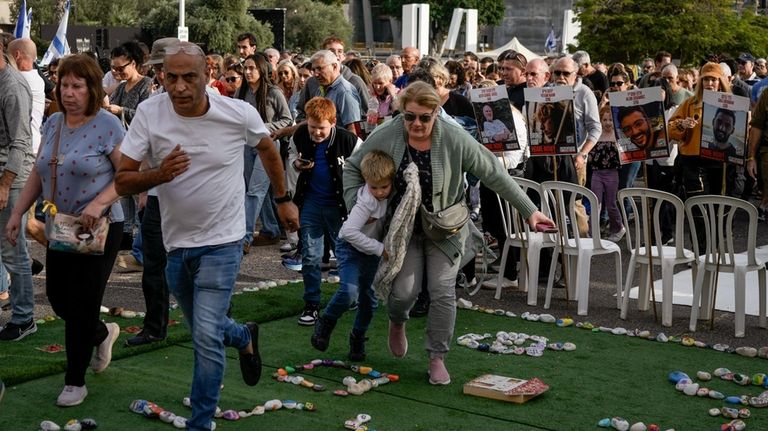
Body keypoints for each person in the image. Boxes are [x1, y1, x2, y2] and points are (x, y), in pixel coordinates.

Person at [114, 41, 299, 431]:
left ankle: (201, 422)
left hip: (225, 240)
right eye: (171, 77)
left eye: (189, 77)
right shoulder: (150, 113)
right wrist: (158, 176)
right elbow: (123, 179)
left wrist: (282, 200)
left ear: (208, 77)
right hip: (176, 244)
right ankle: (244, 336)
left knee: (204, 335)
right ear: (161, 76)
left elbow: (268, 148)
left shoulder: (237, 113)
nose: (179, 87)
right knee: (208, 327)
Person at [343, 82, 553, 385]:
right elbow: (352, 167)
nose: (416, 124)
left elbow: (492, 172)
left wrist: (529, 210)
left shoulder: (454, 137)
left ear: (436, 113)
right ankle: (396, 321)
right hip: (403, 229)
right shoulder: (388, 133)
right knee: (403, 293)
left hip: (446, 227)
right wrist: (361, 208)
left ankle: (437, 357)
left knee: (442, 292)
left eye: (424, 118)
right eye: (409, 116)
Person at [5, 54, 124, 405]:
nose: (69, 92)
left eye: (77, 85)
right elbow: (41, 173)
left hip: (100, 227)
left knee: (84, 301)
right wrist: (18, 212)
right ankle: (101, 334)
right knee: (59, 298)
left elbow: (128, 175)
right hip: (62, 226)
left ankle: (75, 380)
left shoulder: (108, 125)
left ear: (92, 88)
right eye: (64, 85)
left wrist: (99, 202)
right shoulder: (54, 122)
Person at [311, 149, 393, 361]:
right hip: (351, 248)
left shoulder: (391, 194)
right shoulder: (366, 201)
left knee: (369, 298)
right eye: (374, 187)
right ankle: (326, 322)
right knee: (349, 291)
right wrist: (378, 248)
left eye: (384, 186)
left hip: (371, 252)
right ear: (366, 182)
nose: (380, 192)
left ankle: (358, 336)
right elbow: (348, 232)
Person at [291, 97, 360, 326]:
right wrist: (296, 164)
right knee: (310, 256)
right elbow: (291, 155)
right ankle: (311, 304)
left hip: (340, 206)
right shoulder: (300, 135)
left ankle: (349, 296)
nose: (316, 133)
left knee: (344, 255)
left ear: (333, 122)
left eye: (321, 128)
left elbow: (366, 166)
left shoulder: (349, 140)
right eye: (312, 127)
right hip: (310, 202)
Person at [668, 62, 733, 249]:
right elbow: (671, 129)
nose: (710, 83)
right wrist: (682, 125)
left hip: (721, 163)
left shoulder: (731, 104)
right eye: (706, 79)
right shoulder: (690, 103)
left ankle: (718, 251)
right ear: (700, 81)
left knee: (720, 209)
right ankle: (701, 252)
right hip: (693, 162)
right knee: (698, 208)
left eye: (713, 79)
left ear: (720, 81)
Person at [236, 54, 293, 252]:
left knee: (255, 191)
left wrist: (265, 126)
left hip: (268, 145)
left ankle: (245, 237)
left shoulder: (273, 92)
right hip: (246, 145)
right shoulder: (241, 92)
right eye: (246, 68)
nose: (248, 72)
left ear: (261, 70)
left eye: (252, 68)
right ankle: (271, 229)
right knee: (261, 191)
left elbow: (287, 120)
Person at [0, 38, 36, 342]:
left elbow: (21, 142)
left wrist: (4, 184)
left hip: (11, 179)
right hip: (5, 177)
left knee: (13, 250)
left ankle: (24, 318)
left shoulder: (12, 85)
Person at [590, 104, 624, 242]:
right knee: (595, 203)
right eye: (604, 120)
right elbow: (590, 153)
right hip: (597, 173)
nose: (608, 122)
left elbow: (623, 155)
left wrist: (618, 148)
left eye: (610, 120)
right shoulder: (596, 134)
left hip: (612, 173)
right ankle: (592, 233)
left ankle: (618, 228)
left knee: (611, 203)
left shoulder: (618, 135)